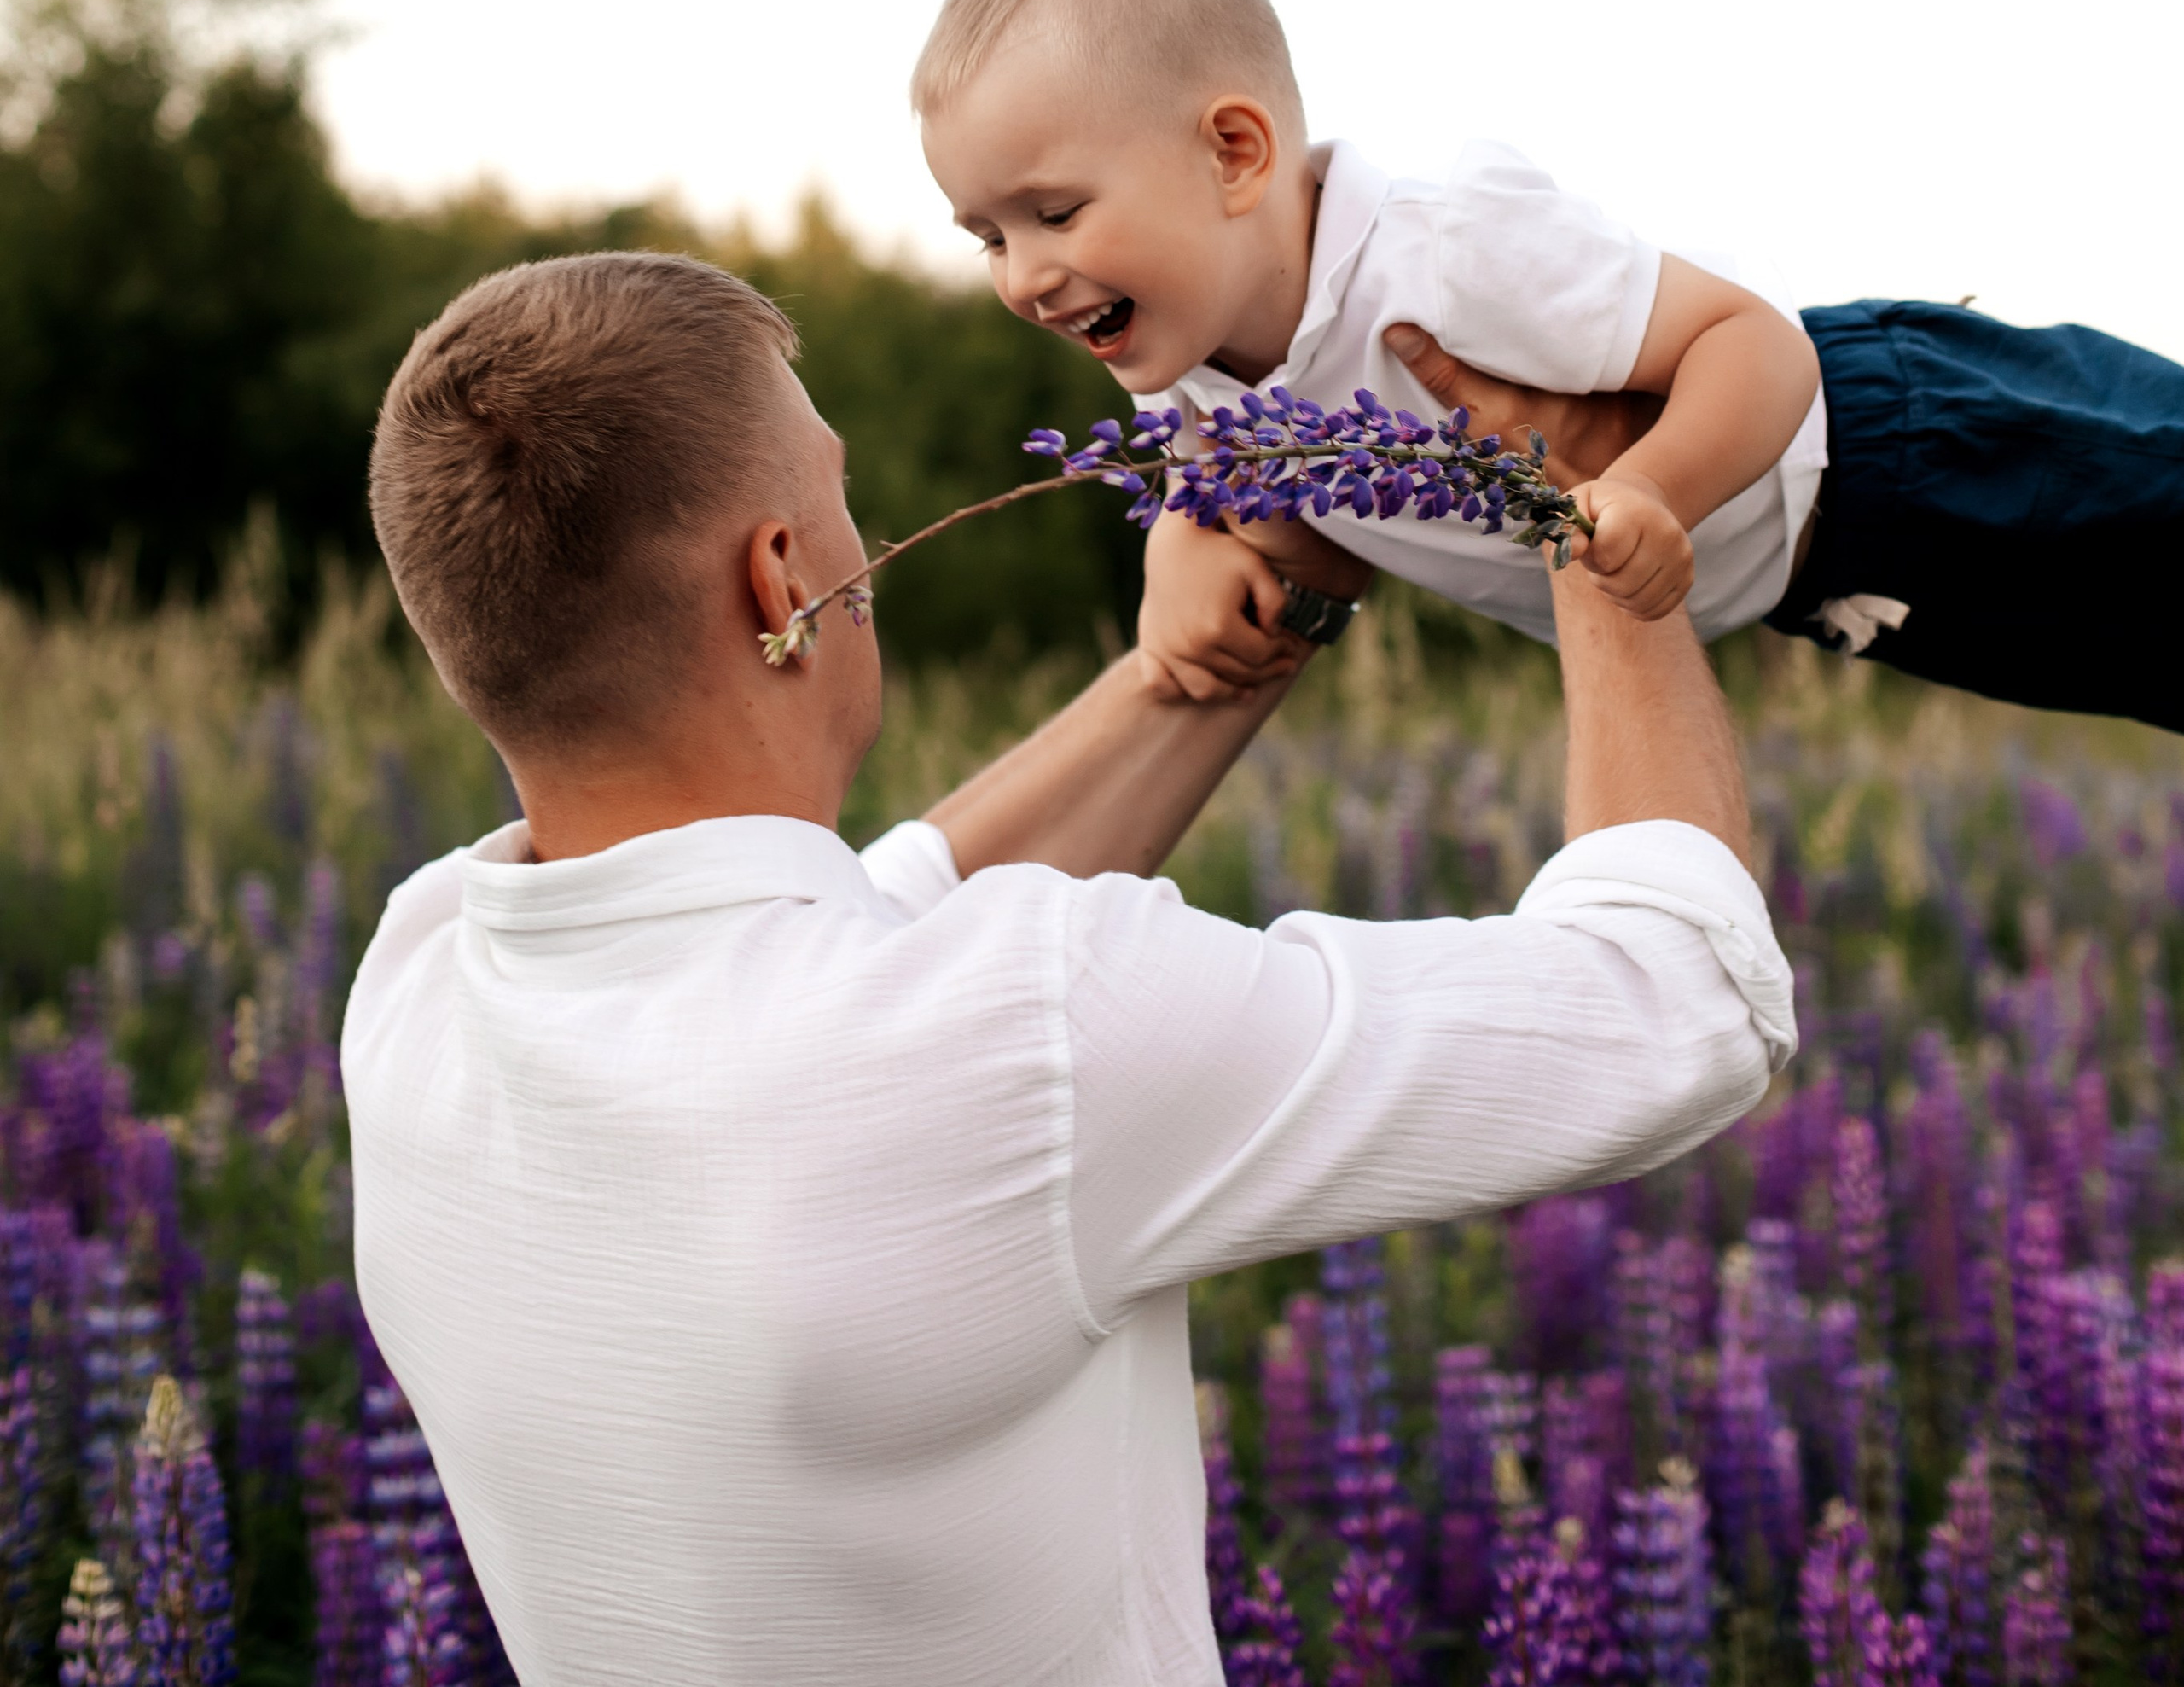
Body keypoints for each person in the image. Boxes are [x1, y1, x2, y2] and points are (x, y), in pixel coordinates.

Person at [344, 247, 1791, 1687]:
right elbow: (1680, 996)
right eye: (838, 494)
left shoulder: (413, 984)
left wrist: (1217, 656)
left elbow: (871, 922)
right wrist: (1596, 537)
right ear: (781, 576)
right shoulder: (1019, 1033)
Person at [914, 0, 2184, 733]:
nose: (1022, 276)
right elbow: (1230, 489)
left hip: (1893, 438)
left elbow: (1756, 344)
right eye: (988, 236)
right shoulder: (1195, 365)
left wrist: (1653, 490)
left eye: (1055, 214)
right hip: (1844, 583)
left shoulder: (1444, 251)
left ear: (1236, 153)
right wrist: (1181, 557)